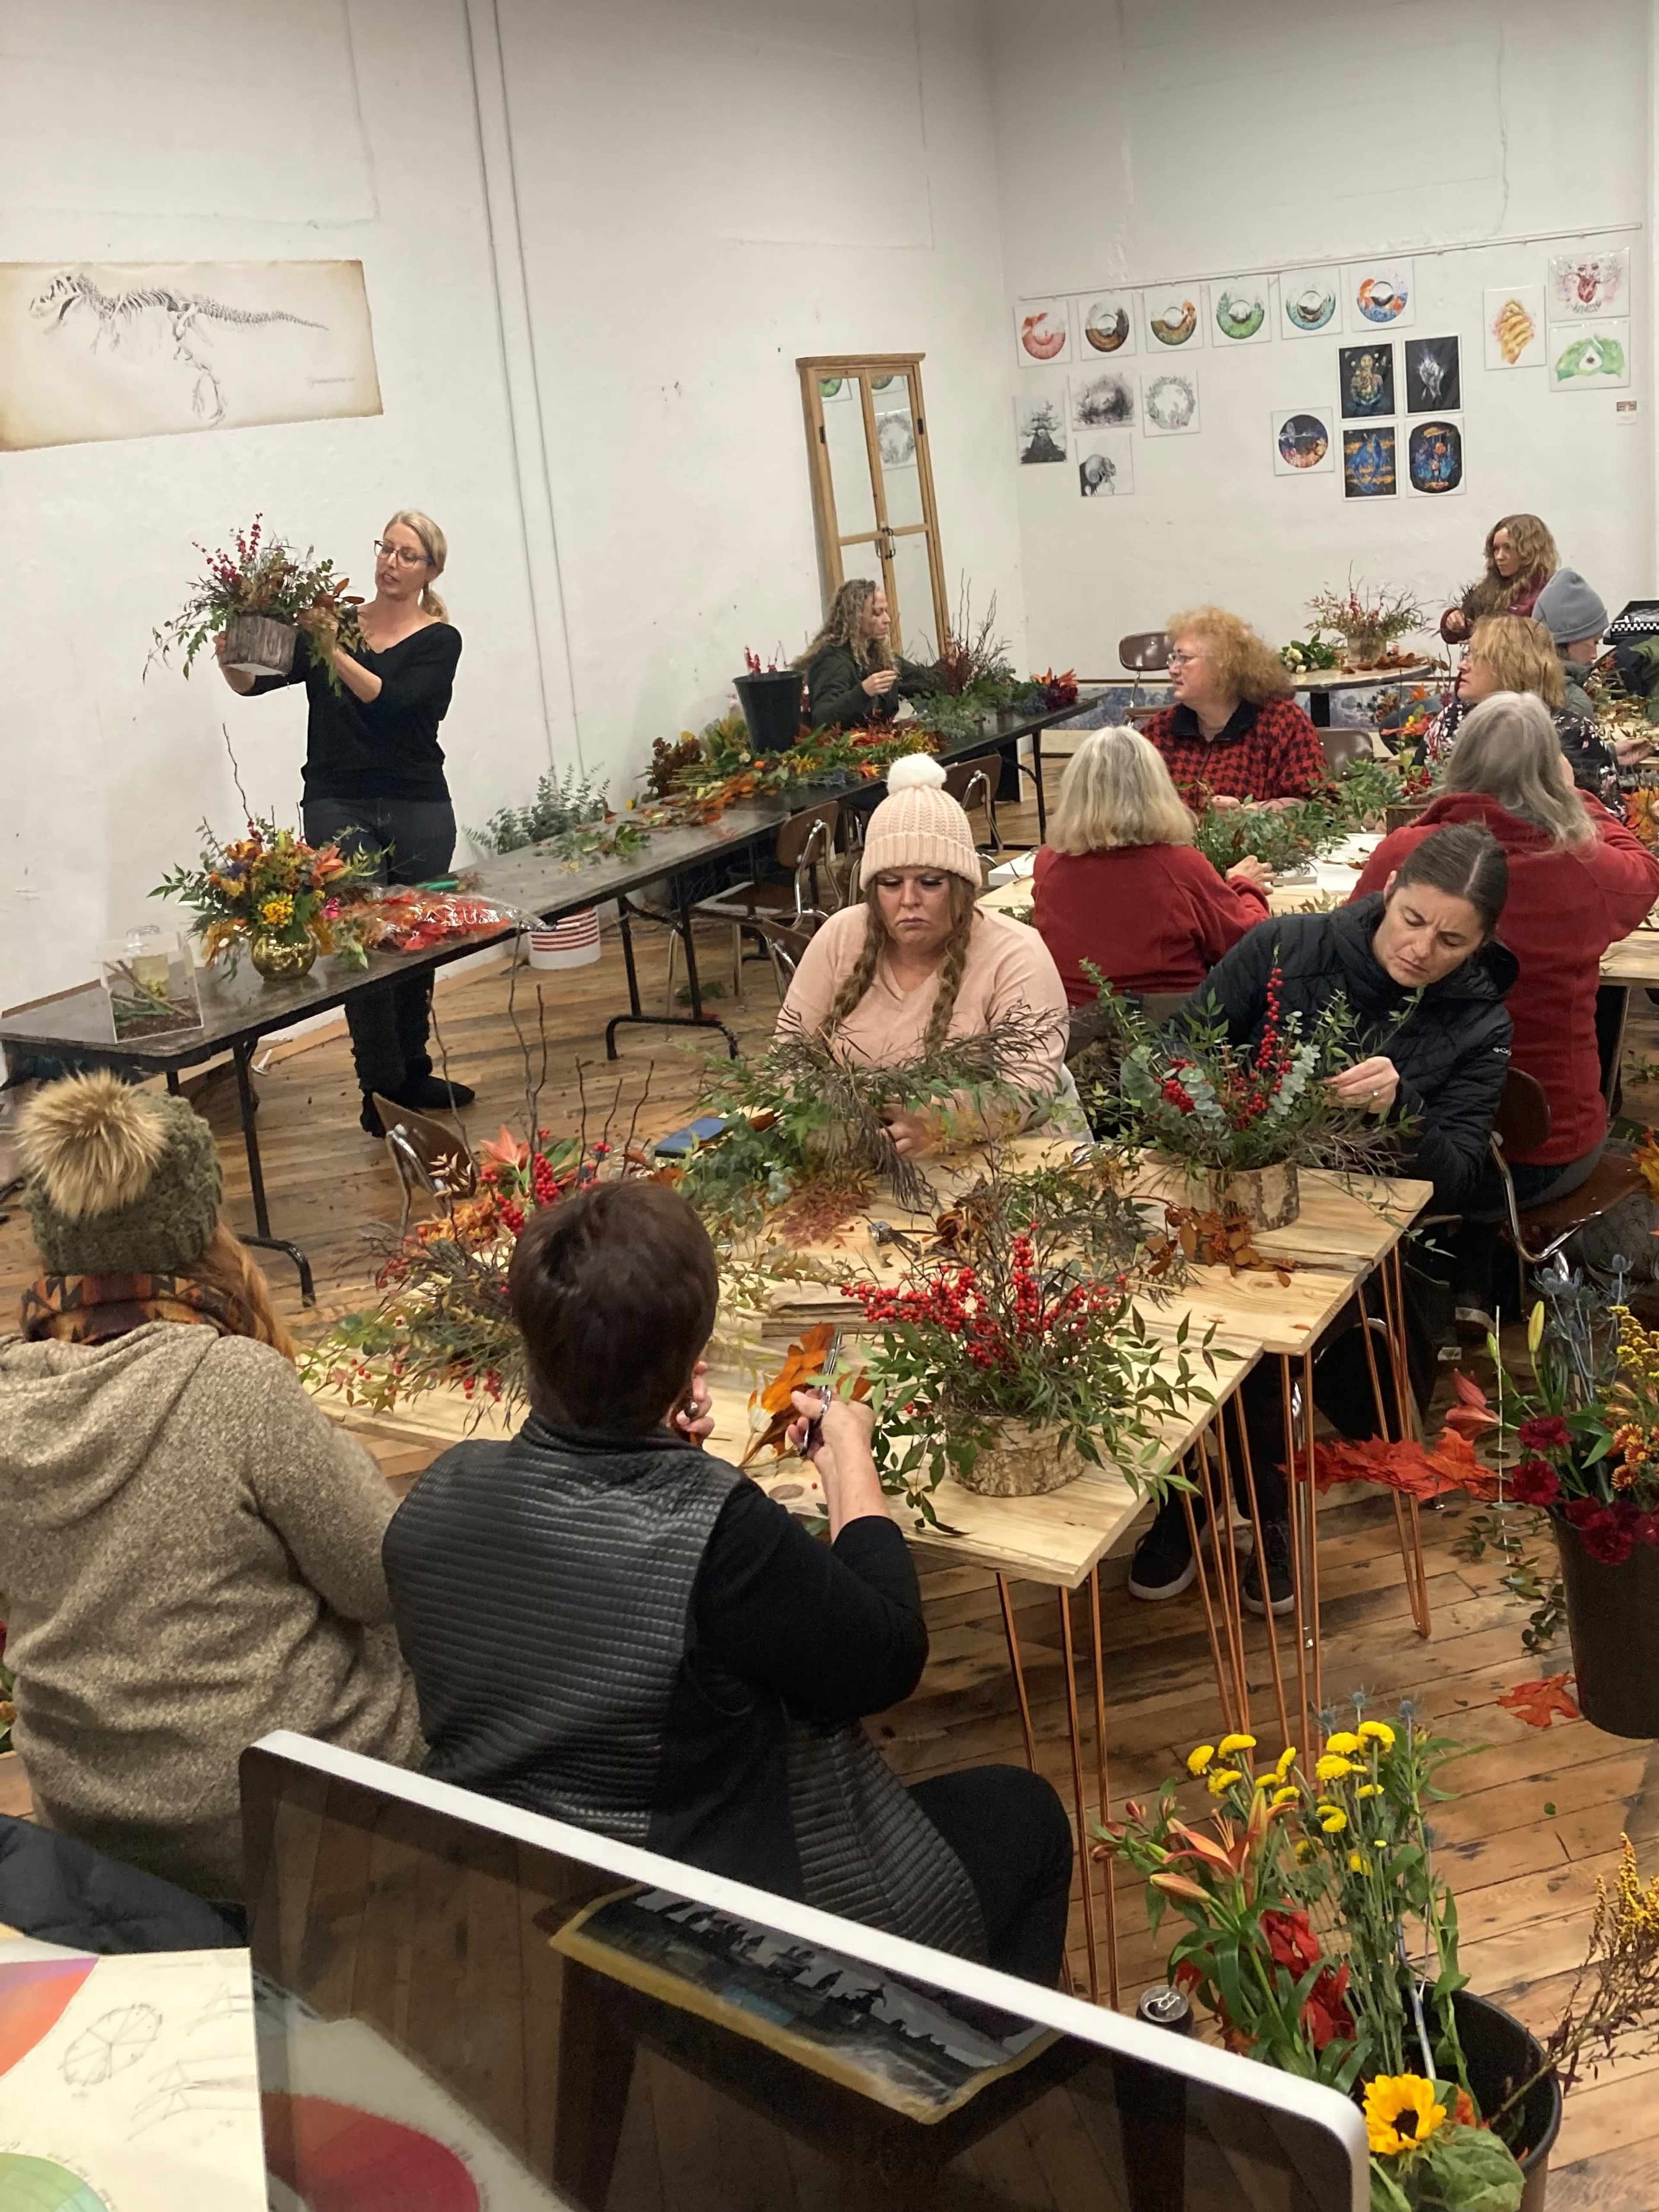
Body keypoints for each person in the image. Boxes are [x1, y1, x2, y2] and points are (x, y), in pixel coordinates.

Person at [382, 1181, 1075, 1986]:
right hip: (709, 1940)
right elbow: (888, 1655)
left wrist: (665, 1460)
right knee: (1027, 1819)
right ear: (692, 1359)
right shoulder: (724, 1537)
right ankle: (968, 2085)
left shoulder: (437, 1496)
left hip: (516, 1898)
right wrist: (850, 1455)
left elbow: (600, 1599)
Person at [0, 1073, 424, 1901]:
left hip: (96, 1823)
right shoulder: (233, 1384)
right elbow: (379, 1579)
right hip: (283, 1811)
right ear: (201, 1227)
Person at [1128, 824, 1517, 1614]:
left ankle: (1214, 1503)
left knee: (1262, 1346)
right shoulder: (1286, 948)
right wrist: (1220, 1113)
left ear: (1481, 944)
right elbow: (1168, 1054)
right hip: (1227, 1207)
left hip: (1368, 1250)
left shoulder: (1478, 1022)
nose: (1421, 950)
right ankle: (1244, 1503)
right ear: (1392, 888)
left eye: (1452, 940)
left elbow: (1461, 1179)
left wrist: (1403, 1107)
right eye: (1412, 920)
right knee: (1187, 1318)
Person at [219, 510, 471, 1136]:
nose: (390, 562)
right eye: (385, 548)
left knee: (413, 938)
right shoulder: (334, 629)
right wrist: (231, 660)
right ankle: (379, 1091)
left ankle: (414, 1070)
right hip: (338, 799)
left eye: (407, 555)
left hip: (417, 804)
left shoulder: (440, 642)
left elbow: (392, 703)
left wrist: (333, 647)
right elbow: (256, 686)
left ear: (430, 570)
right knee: (361, 942)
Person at [1355, 693, 1659, 1210]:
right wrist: (1577, 797)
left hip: (1405, 1140)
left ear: (1461, 759)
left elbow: (1353, 953)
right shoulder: (1583, 867)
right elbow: (1645, 871)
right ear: (1549, 768)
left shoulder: (1404, 853)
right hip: (1544, 1149)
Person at [778, 755, 1071, 1148]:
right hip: (858, 1157)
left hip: (997, 1162)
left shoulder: (1016, 954)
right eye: (891, 883)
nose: (909, 900)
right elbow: (787, 1059)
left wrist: (942, 1121)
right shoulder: (840, 936)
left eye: (930, 883)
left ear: (963, 886)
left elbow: (1027, 1090)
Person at [1031, 726, 1272, 1002]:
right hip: (1172, 1031)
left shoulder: (1049, 865)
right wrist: (1245, 886)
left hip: (1076, 1032)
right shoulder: (1181, 867)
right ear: (1157, 787)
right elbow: (1252, 943)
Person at [1141, 607, 1329, 807]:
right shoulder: (1159, 731)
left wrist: (1251, 814)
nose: (1173, 669)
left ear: (1223, 665)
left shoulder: (1283, 723)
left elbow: (1315, 804)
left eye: (1184, 659)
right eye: (1173, 658)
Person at [1421, 615, 1618, 804]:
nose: (1462, 666)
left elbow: (1608, 819)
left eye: (1475, 656)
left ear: (1511, 664)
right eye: (1467, 654)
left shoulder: (1572, 733)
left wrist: (1567, 796)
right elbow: (1415, 792)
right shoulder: (1451, 720)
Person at [796, 578, 940, 732]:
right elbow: (823, 719)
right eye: (877, 613)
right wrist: (864, 692)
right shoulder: (833, 660)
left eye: (885, 611)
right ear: (856, 618)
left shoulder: (878, 654)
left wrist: (948, 670)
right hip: (849, 751)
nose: (887, 619)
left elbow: (920, 681)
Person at [1439, 514, 1557, 643]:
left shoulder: (1548, 595)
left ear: (1530, 551)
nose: (1500, 557)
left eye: (1508, 548)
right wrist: (1454, 620)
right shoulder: (1491, 587)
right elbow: (1460, 631)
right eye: (1496, 549)